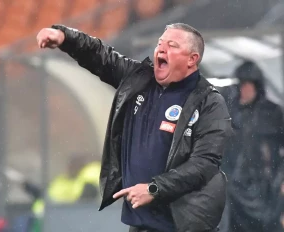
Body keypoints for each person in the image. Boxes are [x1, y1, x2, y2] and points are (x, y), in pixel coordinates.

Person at [36, 23, 232, 232]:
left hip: (184, 226)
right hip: (141, 225)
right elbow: (102, 56)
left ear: (192, 59)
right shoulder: (139, 80)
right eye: (160, 43)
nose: (161, 49)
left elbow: (204, 164)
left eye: (172, 45)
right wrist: (65, 37)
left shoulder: (209, 102)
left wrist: (154, 189)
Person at [225, 61, 284, 232]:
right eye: (242, 85)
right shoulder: (231, 114)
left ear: (257, 86)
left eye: (248, 85)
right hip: (236, 186)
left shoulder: (272, 113)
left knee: (268, 224)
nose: (245, 90)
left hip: (267, 185)